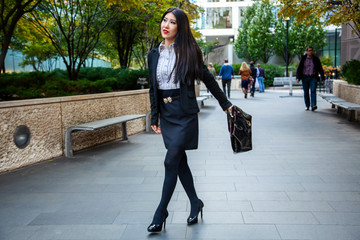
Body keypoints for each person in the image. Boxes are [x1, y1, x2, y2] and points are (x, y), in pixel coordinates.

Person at [147, 7, 233, 233]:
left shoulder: (189, 51)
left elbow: (208, 78)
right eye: (164, 20)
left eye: (172, 22)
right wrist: (154, 114)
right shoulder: (153, 54)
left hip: (184, 113)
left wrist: (226, 105)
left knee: (170, 160)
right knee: (179, 161)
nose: (165, 25)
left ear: (180, 27)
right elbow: (153, 88)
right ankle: (195, 202)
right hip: (166, 115)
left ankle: (161, 212)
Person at [296, 46, 325, 111]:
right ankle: (307, 105)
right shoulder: (303, 58)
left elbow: (320, 68)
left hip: (313, 77)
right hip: (305, 77)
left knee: (313, 90)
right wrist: (298, 77)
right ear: (306, 51)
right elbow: (299, 68)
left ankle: (313, 105)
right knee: (306, 92)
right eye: (309, 50)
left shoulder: (315, 59)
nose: (310, 52)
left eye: (311, 50)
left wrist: (323, 78)